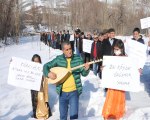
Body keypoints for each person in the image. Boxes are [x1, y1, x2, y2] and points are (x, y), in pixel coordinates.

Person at [43, 41, 90, 120]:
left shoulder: (78, 59)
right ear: (63, 50)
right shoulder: (58, 59)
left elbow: (84, 73)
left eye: (70, 49)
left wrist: (86, 69)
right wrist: (48, 74)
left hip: (74, 92)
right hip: (62, 93)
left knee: (74, 117)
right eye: (67, 49)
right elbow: (45, 66)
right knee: (63, 117)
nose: (69, 51)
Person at [102, 40, 126, 120]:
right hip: (112, 85)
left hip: (120, 85)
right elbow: (107, 69)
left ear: (122, 49)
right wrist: (103, 69)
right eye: (115, 49)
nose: (116, 51)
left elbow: (130, 70)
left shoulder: (126, 59)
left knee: (118, 99)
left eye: (118, 49)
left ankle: (116, 114)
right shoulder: (111, 58)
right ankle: (108, 114)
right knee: (110, 99)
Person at [31, 54, 52, 119]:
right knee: (34, 100)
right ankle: (35, 114)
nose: (36, 62)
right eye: (35, 61)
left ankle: (46, 112)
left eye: (37, 61)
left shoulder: (42, 68)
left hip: (41, 87)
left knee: (42, 98)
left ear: (40, 61)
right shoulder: (30, 68)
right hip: (33, 86)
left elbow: (45, 76)